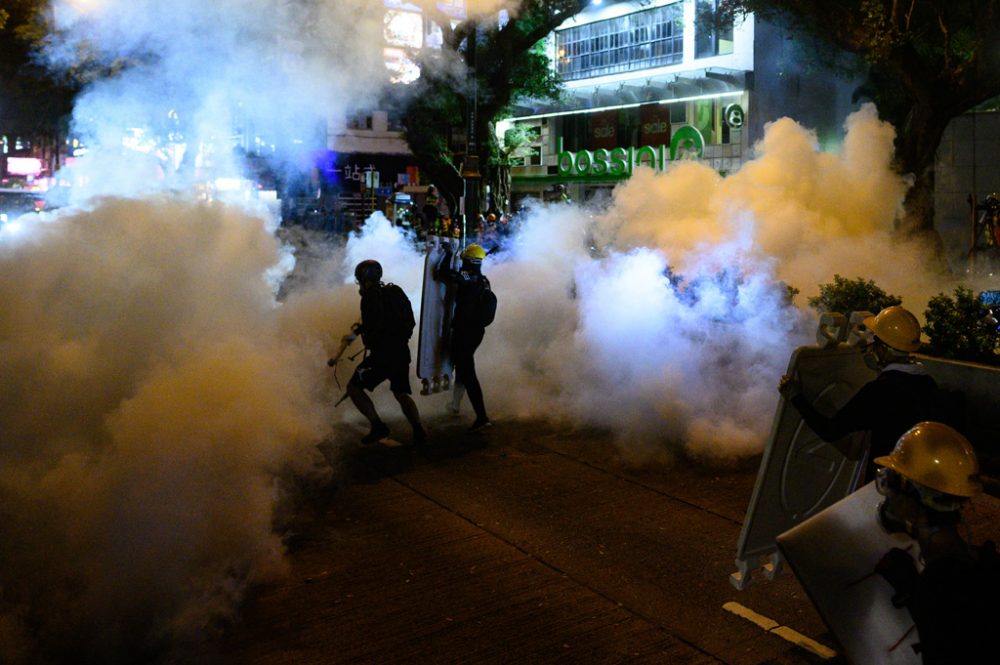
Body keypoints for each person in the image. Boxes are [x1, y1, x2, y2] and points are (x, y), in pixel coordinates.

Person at [871, 421, 997, 664]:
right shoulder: (988, 564)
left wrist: (916, 594)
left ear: (912, 502)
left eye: (891, 484)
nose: (889, 498)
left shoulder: (939, 591)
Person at [779, 305, 943, 484]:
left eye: (876, 341)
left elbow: (829, 431)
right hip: (920, 480)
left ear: (885, 348)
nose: (871, 346)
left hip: (889, 485)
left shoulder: (881, 390)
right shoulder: (928, 383)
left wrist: (795, 396)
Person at [345, 259, 428, 447]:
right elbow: (409, 321)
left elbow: (373, 325)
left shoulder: (369, 297)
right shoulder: (395, 291)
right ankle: (418, 429)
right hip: (401, 352)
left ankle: (378, 426)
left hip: (382, 356)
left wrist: (361, 334)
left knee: (354, 388)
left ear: (363, 278)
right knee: (401, 393)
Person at [435, 243, 492, 431]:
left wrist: (448, 253)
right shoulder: (483, 280)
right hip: (475, 332)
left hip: (465, 332)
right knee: (462, 367)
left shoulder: (470, 276)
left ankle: (482, 417)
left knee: (468, 373)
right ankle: (455, 405)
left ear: (468, 260)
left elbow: (442, 274)